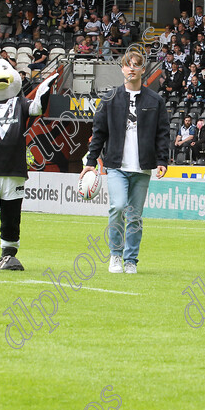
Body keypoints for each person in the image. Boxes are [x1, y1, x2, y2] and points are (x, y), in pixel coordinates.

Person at [82, 50, 170, 274]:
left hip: (142, 167)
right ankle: (115, 256)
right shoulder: (110, 98)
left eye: (136, 65)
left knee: (135, 216)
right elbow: (99, 132)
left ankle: (131, 259)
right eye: (128, 65)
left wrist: (162, 160)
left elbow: (162, 133)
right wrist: (91, 161)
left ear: (142, 70)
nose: (132, 69)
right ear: (122, 69)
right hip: (116, 166)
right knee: (118, 207)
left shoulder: (155, 100)